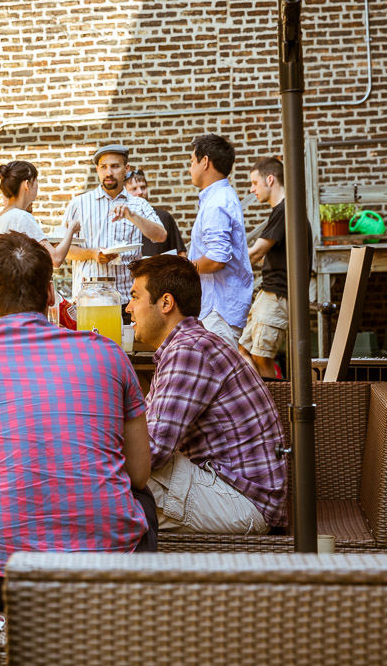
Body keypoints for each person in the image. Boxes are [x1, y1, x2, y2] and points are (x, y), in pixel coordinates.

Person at [0, 231, 157, 571]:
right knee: (139, 493)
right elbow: (139, 473)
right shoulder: (108, 353)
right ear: (50, 294)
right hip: (112, 566)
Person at [125, 255, 288, 534]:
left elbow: (152, 451)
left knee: (103, 484)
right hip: (232, 490)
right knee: (105, 476)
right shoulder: (188, 345)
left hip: (244, 503)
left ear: (166, 303)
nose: (128, 308)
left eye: (135, 297)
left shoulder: (189, 351)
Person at [63, 144, 166, 318]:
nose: (109, 172)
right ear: (97, 170)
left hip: (128, 302)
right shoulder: (78, 204)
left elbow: (161, 235)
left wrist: (131, 215)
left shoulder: (138, 204)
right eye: (103, 167)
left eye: (115, 166)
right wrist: (92, 253)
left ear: (126, 168)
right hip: (89, 301)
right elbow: (64, 250)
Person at [239, 157, 312, 378]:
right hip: (268, 293)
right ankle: (261, 394)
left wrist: (223, 263)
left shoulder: (285, 210)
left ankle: (272, 399)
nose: (252, 189)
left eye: (254, 182)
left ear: (270, 180)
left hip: (278, 295)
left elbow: (256, 252)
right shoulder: (283, 211)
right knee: (242, 350)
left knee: (262, 357)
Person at [186, 133, 253, 348]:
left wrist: (182, 268)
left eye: (192, 161)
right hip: (218, 308)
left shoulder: (217, 202)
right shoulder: (219, 197)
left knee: (217, 369)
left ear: (205, 161)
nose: (190, 168)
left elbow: (217, 260)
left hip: (218, 310)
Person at [0, 160, 80, 266]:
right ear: (27, 184)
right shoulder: (22, 217)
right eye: (36, 180)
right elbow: (56, 259)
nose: (37, 186)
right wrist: (71, 229)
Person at [124, 169, 187, 258]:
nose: (140, 192)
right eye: (134, 189)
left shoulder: (164, 217)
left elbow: (181, 254)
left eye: (143, 187)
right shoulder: (121, 222)